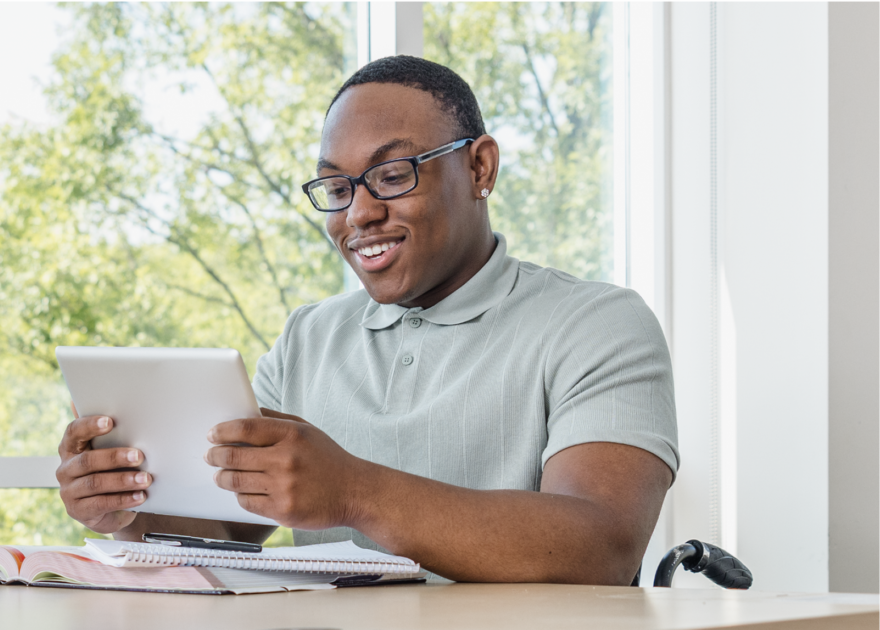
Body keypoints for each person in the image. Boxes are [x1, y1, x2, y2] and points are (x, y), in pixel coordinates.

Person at [56, 56, 678, 585]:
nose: (358, 214)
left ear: (480, 168)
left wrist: (354, 491)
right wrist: (128, 511)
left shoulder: (597, 325)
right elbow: (230, 526)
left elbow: (601, 547)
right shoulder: (308, 339)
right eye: (337, 188)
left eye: (392, 175)